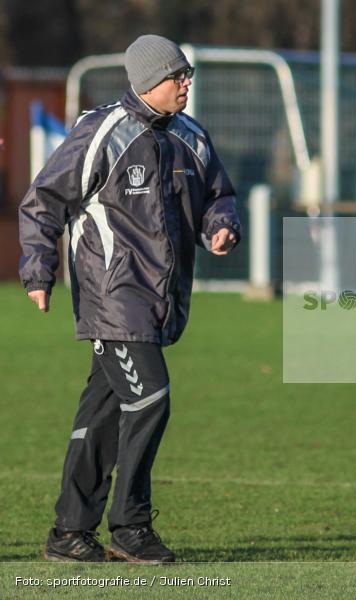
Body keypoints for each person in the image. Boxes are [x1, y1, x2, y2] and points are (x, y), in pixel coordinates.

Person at [18, 35, 241, 563]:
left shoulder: (191, 136)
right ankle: (130, 526)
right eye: (176, 76)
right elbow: (43, 199)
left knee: (104, 412)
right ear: (147, 83)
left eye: (188, 75)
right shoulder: (102, 132)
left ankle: (69, 533)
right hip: (112, 295)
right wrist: (37, 271)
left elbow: (219, 193)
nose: (186, 83)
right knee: (150, 398)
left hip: (160, 299)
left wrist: (223, 224)